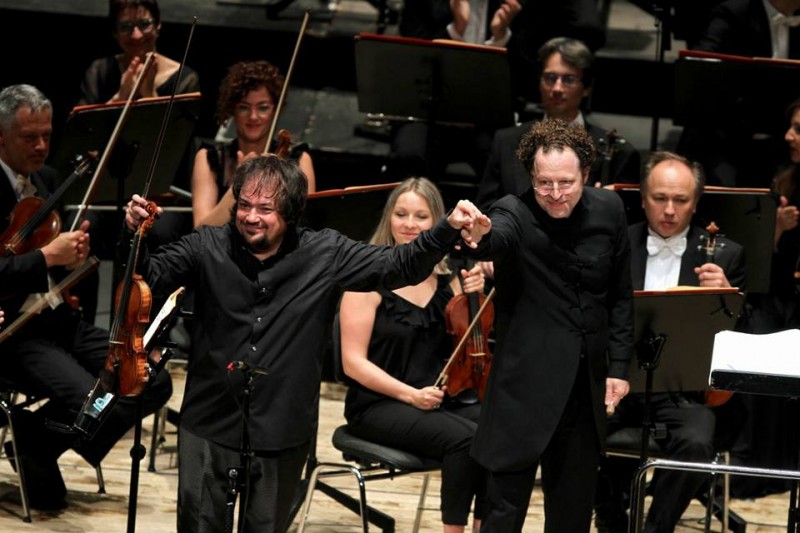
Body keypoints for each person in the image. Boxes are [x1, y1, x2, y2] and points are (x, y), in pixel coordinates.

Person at [123, 155, 488, 532]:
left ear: (292, 211)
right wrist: (133, 236)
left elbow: (402, 264)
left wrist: (447, 229)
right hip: (209, 419)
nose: (251, 217)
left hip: (282, 427)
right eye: (244, 206)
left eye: (266, 208)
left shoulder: (326, 253)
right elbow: (148, 277)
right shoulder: (207, 244)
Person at [0, 83, 172, 511]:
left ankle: (36, 436)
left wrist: (79, 253)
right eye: (29, 137)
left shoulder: (49, 181)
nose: (41, 146)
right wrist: (45, 257)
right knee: (91, 399)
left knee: (151, 381)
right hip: (15, 332)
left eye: (46, 134)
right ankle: (41, 440)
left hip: (58, 319)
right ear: (0, 136)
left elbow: (70, 257)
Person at [460, 119, 634, 531]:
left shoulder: (609, 211)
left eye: (566, 183)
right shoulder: (513, 210)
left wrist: (619, 368)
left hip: (582, 387)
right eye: (544, 184)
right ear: (531, 178)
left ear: (586, 175)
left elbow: (620, 296)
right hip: (522, 389)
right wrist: (481, 236)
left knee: (572, 513)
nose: (555, 195)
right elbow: (494, 235)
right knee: (502, 511)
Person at [594, 151, 747, 533]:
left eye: (680, 200)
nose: (669, 209)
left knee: (697, 442)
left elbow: (744, 339)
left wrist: (728, 301)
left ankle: (656, 528)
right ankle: (610, 515)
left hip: (682, 392)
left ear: (695, 204)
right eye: (659, 198)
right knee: (575, 424)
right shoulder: (615, 245)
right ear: (643, 197)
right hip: (618, 382)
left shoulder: (726, 255)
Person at [340, 177, 488, 532]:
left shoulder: (450, 279)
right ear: (388, 218)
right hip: (377, 404)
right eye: (401, 214)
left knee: (497, 428)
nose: (409, 224)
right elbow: (352, 362)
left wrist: (475, 297)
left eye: (421, 217)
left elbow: (468, 346)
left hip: (435, 402)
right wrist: (410, 395)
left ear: (437, 222)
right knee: (465, 440)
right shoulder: (365, 278)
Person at [475, 37, 640, 211]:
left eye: (568, 79)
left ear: (586, 88)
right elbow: (486, 211)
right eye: (550, 78)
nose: (557, 88)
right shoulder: (506, 142)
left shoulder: (618, 154)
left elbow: (629, 227)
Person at [680, 0, 800, 188]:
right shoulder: (735, 12)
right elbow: (699, 64)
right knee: (725, 196)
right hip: (726, 139)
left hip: (779, 142)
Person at [192, 60, 316, 228]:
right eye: (244, 108)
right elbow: (201, 229)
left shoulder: (299, 158)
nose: (253, 117)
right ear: (232, 110)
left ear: (275, 109)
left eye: (263, 108)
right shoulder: (209, 156)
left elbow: (303, 226)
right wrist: (239, 184)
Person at [78, 0, 201, 106]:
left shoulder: (185, 80)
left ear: (158, 25)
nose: (136, 35)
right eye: (125, 26)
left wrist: (150, 95)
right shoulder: (99, 70)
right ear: (115, 32)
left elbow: (178, 132)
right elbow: (82, 130)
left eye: (144, 24)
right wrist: (120, 97)